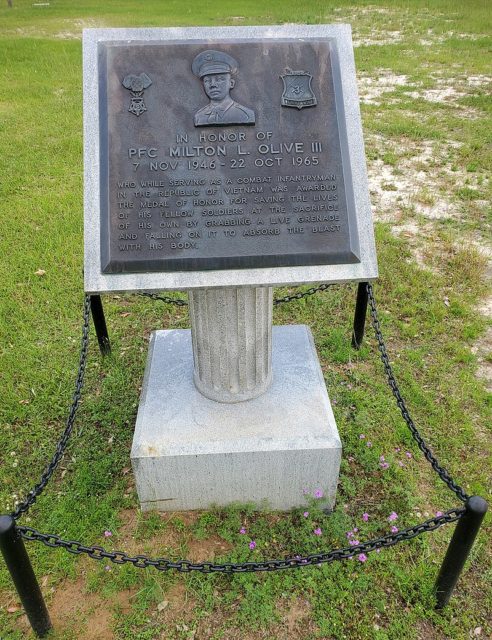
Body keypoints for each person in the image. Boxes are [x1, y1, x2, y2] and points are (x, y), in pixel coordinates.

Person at [192, 50, 255, 127]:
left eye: (219, 79)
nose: (213, 85)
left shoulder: (246, 115)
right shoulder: (199, 117)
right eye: (207, 81)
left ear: (231, 83)